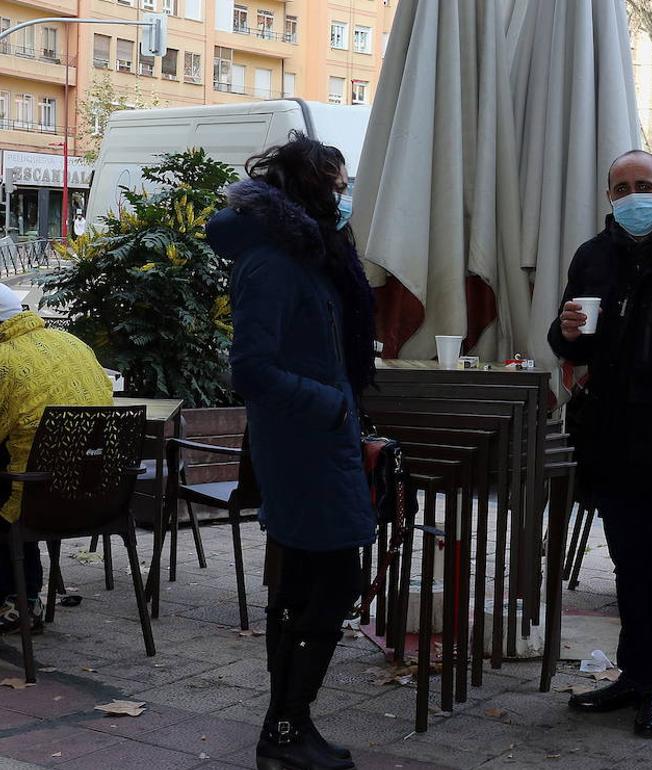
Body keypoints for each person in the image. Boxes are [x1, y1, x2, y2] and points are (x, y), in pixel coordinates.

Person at [207, 132, 375, 770]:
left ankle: (285, 730)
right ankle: (284, 727)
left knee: (308, 580)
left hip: (316, 438)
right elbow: (250, 368)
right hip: (305, 442)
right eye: (334, 184)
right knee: (332, 578)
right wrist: (329, 404)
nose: (342, 195)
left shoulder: (304, 253)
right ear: (306, 188)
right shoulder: (274, 261)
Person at [548, 150, 652, 736]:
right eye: (620, 189)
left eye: (643, 185)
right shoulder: (594, 255)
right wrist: (563, 333)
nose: (632, 196)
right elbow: (573, 343)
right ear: (608, 198)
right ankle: (634, 675)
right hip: (610, 435)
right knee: (629, 565)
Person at [0, 283, 112, 633]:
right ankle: (22, 598)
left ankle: (16, 599)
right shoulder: (75, 345)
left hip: (35, 502)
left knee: (10, 483)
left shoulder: (4, 362)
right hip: (100, 499)